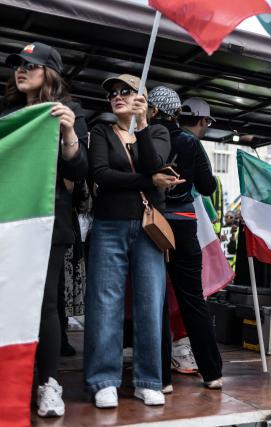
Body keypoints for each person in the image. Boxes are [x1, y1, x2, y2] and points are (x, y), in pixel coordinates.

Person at [2, 42, 88, 418]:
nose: (21, 69)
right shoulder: (6, 114)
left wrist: (68, 132)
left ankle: (48, 383)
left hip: (47, 223)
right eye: (17, 64)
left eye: (30, 65)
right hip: (8, 220)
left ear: (49, 72)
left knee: (45, 304)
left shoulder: (69, 113)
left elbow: (78, 171)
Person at [85, 75, 182, 408]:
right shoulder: (100, 131)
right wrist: (148, 180)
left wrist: (141, 126)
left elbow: (156, 164)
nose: (117, 96)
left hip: (148, 228)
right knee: (104, 303)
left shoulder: (156, 132)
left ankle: (149, 380)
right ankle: (103, 380)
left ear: (142, 99)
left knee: (150, 303)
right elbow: (101, 176)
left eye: (125, 91)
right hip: (109, 224)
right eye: (113, 93)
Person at [147, 90, 224, 391]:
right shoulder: (191, 142)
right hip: (185, 225)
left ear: (153, 110)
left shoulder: (144, 137)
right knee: (193, 298)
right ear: (178, 113)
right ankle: (213, 374)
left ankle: (162, 379)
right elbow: (207, 186)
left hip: (152, 225)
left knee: (156, 300)